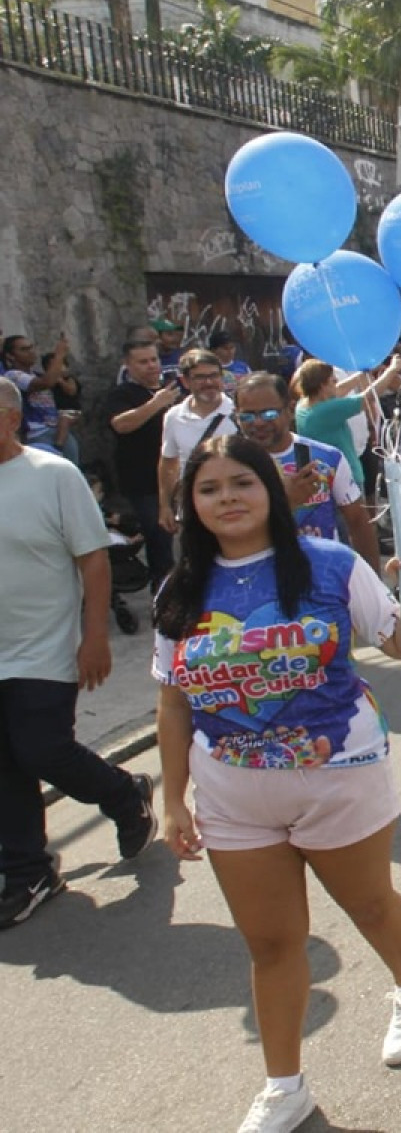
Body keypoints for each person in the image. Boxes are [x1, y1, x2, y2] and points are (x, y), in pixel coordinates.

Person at [153, 436, 401, 1132]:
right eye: (210, 488)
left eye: (242, 483)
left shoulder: (331, 565)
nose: (228, 499)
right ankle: (285, 1086)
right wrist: (171, 797)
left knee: (371, 907)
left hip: (339, 777)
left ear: (271, 492)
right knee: (272, 945)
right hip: (233, 794)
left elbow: (397, 641)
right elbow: (171, 700)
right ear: (191, 504)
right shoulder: (179, 588)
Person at [0, 378, 156, 929]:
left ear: (11, 419)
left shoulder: (52, 476)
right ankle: (28, 871)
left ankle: (124, 794)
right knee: (6, 764)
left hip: (45, 645)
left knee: (41, 749)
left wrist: (95, 636)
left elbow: (93, 558)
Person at [232, 373, 382, 569]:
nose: (258, 423)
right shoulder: (229, 465)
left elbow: (358, 521)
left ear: (289, 410)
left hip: (323, 576)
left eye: (269, 414)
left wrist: (373, 583)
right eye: (248, 416)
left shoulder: (326, 458)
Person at [103, 338, 181, 585]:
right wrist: (155, 404)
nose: (150, 366)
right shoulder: (122, 393)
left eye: (154, 359)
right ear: (128, 365)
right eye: (143, 362)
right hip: (145, 483)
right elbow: (121, 424)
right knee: (160, 543)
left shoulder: (174, 389)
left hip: (177, 477)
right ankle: (164, 600)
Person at [290, 356, 401, 490]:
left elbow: (339, 390)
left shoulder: (304, 404)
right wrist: (392, 370)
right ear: (322, 386)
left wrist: (360, 375)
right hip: (346, 481)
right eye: (332, 380)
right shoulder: (325, 410)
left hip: (330, 477)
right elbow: (367, 397)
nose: (336, 380)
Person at [158, 349, 239, 533]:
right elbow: (168, 463)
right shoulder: (174, 416)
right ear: (185, 381)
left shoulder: (239, 413)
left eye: (214, 376)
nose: (209, 383)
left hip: (234, 505)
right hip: (193, 508)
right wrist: (165, 506)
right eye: (200, 377)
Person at [2, 331, 76, 461]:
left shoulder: (35, 374)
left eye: (31, 347)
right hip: (38, 435)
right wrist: (59, 355)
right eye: (24, 349)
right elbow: (46, 383)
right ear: (10, 356)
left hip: (58, 431)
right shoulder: (12, 376)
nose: (31, 352)